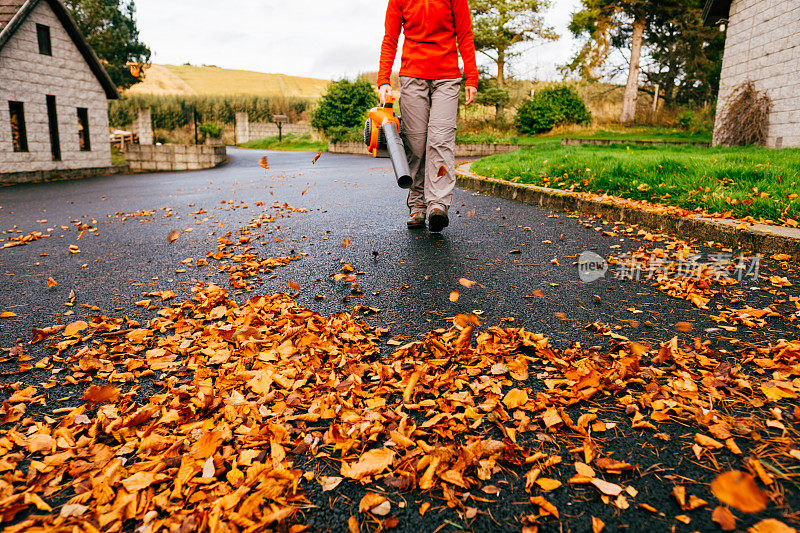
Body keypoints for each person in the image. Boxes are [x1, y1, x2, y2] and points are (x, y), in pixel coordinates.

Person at [377, 0, 478, 232]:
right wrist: (383, 78)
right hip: (412, 75)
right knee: (415, 142)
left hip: (447, 77)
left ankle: (438, 205)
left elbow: (464, 34)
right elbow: (390, 37)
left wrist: (471, 76)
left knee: (440, 139)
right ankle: (418, 205)